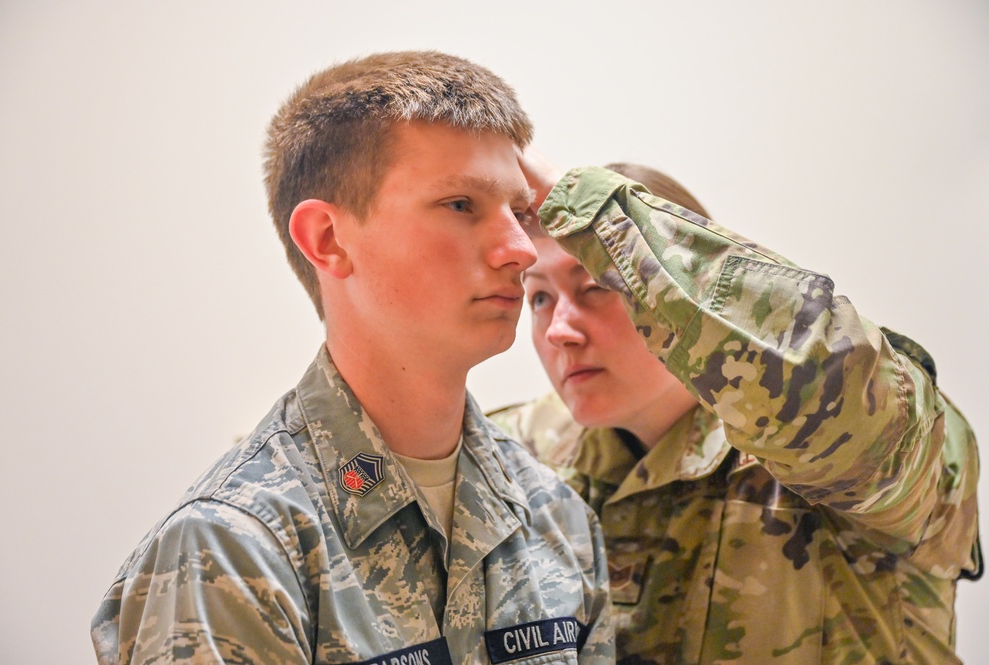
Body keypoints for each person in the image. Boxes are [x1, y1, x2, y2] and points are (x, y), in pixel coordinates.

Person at [91, 52, 612, 665]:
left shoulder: (556, 518)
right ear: (329, 240)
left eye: (519, 212)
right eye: (461, 205)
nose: (521, 250)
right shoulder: (233, 550)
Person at [492, 157, 981, 664]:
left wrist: (598, 212)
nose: (559, 330)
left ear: (679, 292)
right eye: (541, 298)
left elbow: (835, 394)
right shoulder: (523, 451)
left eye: (596, 285)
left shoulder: (837, 442)